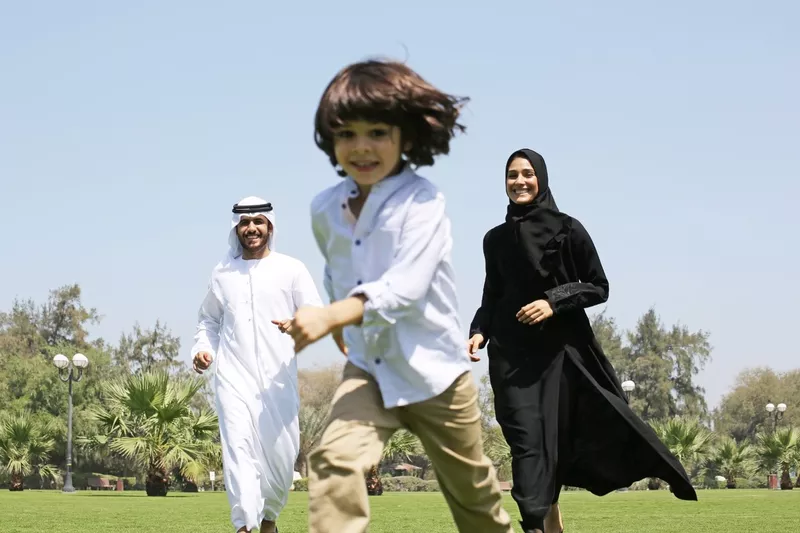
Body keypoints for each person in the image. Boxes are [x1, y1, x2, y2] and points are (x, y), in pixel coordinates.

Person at [288, 59, 514, 533]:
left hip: (436, 376)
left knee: (475, 505)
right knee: (332, 460)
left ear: (405, 138)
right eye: (347, 134)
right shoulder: (325, 208)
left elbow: (405, 289)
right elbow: (338, 271)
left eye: (377, 132)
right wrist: (345, 327)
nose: (361, 146)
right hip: (370, 370)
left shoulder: (423, 202)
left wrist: (332, 316)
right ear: (330, 139)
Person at [467, 149, 698, 533]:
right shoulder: (494, 239)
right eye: (512, 175)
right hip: (511, 358)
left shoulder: (568, 229)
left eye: (527, 174)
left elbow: (598, 286)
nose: (519, 181)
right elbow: (492, 294)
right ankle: (540, 523)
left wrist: (552, 302)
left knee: (556, 441)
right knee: (526, 442)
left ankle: (543, 524)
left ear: (541, 177)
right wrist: (479, 330)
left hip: (561, 356)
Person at [191, 196, 323, 533]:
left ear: (270, 226)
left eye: (258, 222)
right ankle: (245, 526)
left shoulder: (291, 269)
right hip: (233, 379)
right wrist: (203, 349)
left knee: (280, 463)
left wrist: (299, 322)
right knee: (238, 453)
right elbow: (208, 320)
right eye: (245, 223)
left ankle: (268, 521)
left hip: (278, 384)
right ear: (236, 228)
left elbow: (316, 314)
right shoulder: (223, 273)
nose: (251, 228)